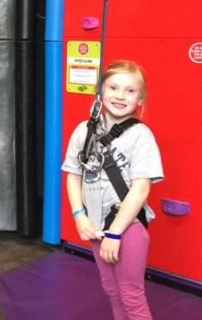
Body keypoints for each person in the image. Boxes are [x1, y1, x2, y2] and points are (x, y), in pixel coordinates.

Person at [62, 60, 164, 320]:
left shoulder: (141, 136)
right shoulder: (84, 131)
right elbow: (73, 174)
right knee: (112, 290)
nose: (120, 95)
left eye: (130, 91)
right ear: (101, 93)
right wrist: (79, 214)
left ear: (140, 99)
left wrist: (115, 234)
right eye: (114, 88)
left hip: (126, 228)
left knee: (131, 294)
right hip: (96, 227)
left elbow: (141, 189)